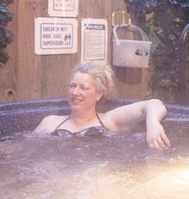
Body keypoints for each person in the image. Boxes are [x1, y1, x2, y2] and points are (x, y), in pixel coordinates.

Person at [32, 62, 170, 149]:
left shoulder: (108, 120)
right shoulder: (50, 122)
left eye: (83, 88)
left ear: (98, 94)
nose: (75, 92)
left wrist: (152, 123)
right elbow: (26, 149)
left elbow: (155, 104)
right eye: (72, 86)